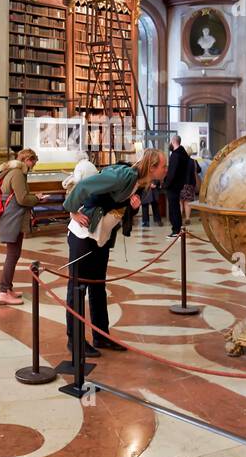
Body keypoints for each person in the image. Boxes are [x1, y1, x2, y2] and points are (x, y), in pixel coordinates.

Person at [63, 148, 168, 356]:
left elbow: (119, 206)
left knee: (98, 287)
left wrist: (134, 206)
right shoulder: (124, 175)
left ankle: (102, 336)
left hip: (101, 236)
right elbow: (85, 185)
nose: (166, 169)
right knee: (77, 289)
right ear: (153, 167)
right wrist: (72, 210)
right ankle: (74, 341)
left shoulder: (143, 183)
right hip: (83, 235)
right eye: (164, 166)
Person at [0, 148, 43, 305]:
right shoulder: (18, 173)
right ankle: (3, 292)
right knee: (12, 255)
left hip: (11, 219)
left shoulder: (12, 172)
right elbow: (22, 199)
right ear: (28, 160)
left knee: (14, 254)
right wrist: (36, 198)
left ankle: (8, 289)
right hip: (13, 220)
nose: (34, 165)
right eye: (33, 162)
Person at [162, 134, 193, 235]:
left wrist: (166, 184)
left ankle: (175, 229)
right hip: (179, 184)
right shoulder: (183, 154)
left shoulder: (175, 155)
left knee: (173, 208)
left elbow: (172, 172)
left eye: (171, 142)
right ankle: (177, 228)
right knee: (175, 207)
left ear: (173, 141)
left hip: (173, 186)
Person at [180, 147, 201, 224]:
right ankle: (187, 218)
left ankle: (180, 217)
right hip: (190, 184)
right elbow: (199, 170)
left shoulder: (180, 161)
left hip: (180, 184)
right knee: (187, 202)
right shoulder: (193, 161)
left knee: (180, 202)